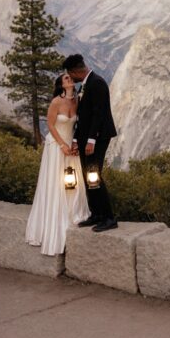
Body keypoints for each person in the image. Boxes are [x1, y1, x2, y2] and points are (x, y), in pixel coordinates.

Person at [24, 73, 91, 255]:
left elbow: (78, 125)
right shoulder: (55, 102)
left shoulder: (76, 100)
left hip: (71, 146)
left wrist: (75, 144)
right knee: (56, 183)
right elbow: (51, 126)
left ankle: (73, 212)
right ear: (61, 85)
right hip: (56, 146)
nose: (69, 80)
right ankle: (54, 219)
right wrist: (62, 144)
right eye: (66, 79)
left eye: (71, 78)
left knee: (73, 182)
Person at [63, 53, 118, 232]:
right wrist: (77, 139)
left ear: (75, 71)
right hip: (86, 138)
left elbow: (98, 114)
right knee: (88, 176)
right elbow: (83, 117)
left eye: (70, 74)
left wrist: (91, 140)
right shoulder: (86, 85)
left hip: (98, 137)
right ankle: (96, 214)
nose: (70, 78)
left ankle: (109, 217)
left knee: (94, 175)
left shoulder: (97, 83)